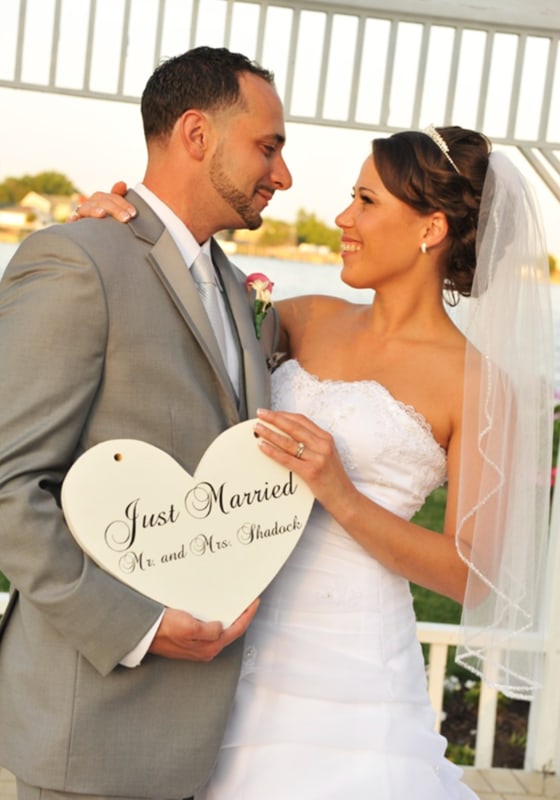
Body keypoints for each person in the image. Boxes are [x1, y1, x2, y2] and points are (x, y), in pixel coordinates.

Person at [74, 125, 553, 798]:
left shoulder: (478, 383)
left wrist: (341, 492)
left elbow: (474, 576)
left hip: (353, 675)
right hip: (231, 651)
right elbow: (172, 305)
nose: (341, 217)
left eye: (364, 200)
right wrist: (113, 234)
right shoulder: (304, 318)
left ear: (432, 227)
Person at [0, 46, 292, 800]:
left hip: (219, 746)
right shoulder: (76, 261)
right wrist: (139, 627)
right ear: (197, 134)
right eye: (269, 147)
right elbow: (8, 487)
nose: (284, 176)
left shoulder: (236, 286)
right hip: (96, 733)